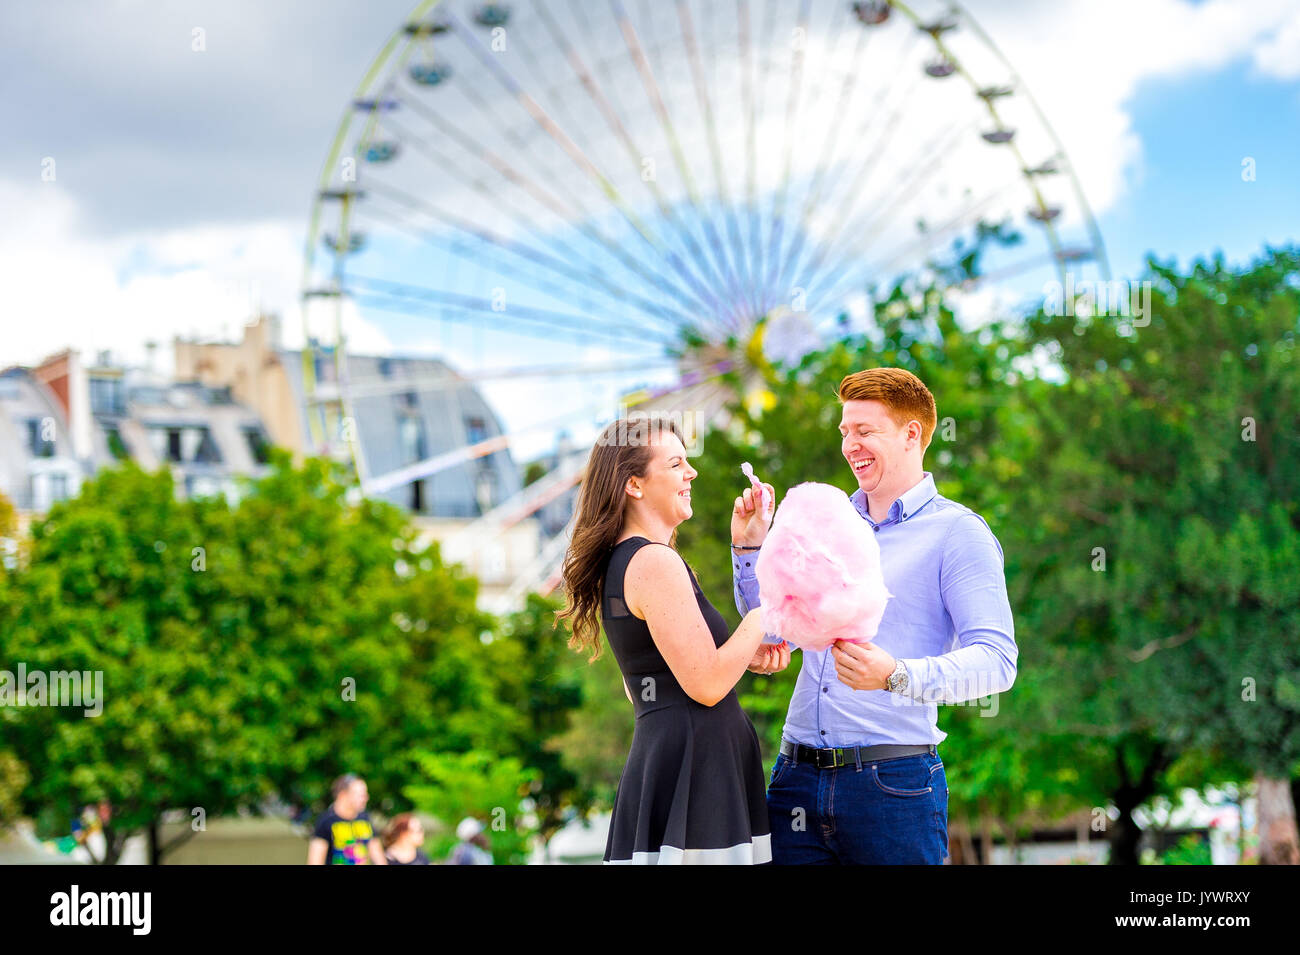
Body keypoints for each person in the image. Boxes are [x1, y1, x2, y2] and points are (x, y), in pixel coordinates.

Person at [733, 367, 1018, 864]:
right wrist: (750, 545)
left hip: (894, 788)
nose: (849, 445)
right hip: (794, 780)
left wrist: (897, 676)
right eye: (845, 432)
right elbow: (777, 624)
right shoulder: (827, 522)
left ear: (912, 434)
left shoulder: (958, 533)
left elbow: (997, 662)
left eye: (865, 431)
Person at [559, 415, 788, 865]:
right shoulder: (654, 562)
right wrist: (766, 612)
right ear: (634, 485)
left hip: (674, 761)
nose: (692, 473)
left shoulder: (625, 561)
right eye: (677, 464)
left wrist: (739, 654)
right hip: (698, 772)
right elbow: (704, 685)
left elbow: (642, 685)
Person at [307, 774, 387, 865]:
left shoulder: (365, 818)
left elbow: (378, 854)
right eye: (361, 795)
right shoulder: (326, 821)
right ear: (343, 795)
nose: (366, 798)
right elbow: (315, 860)